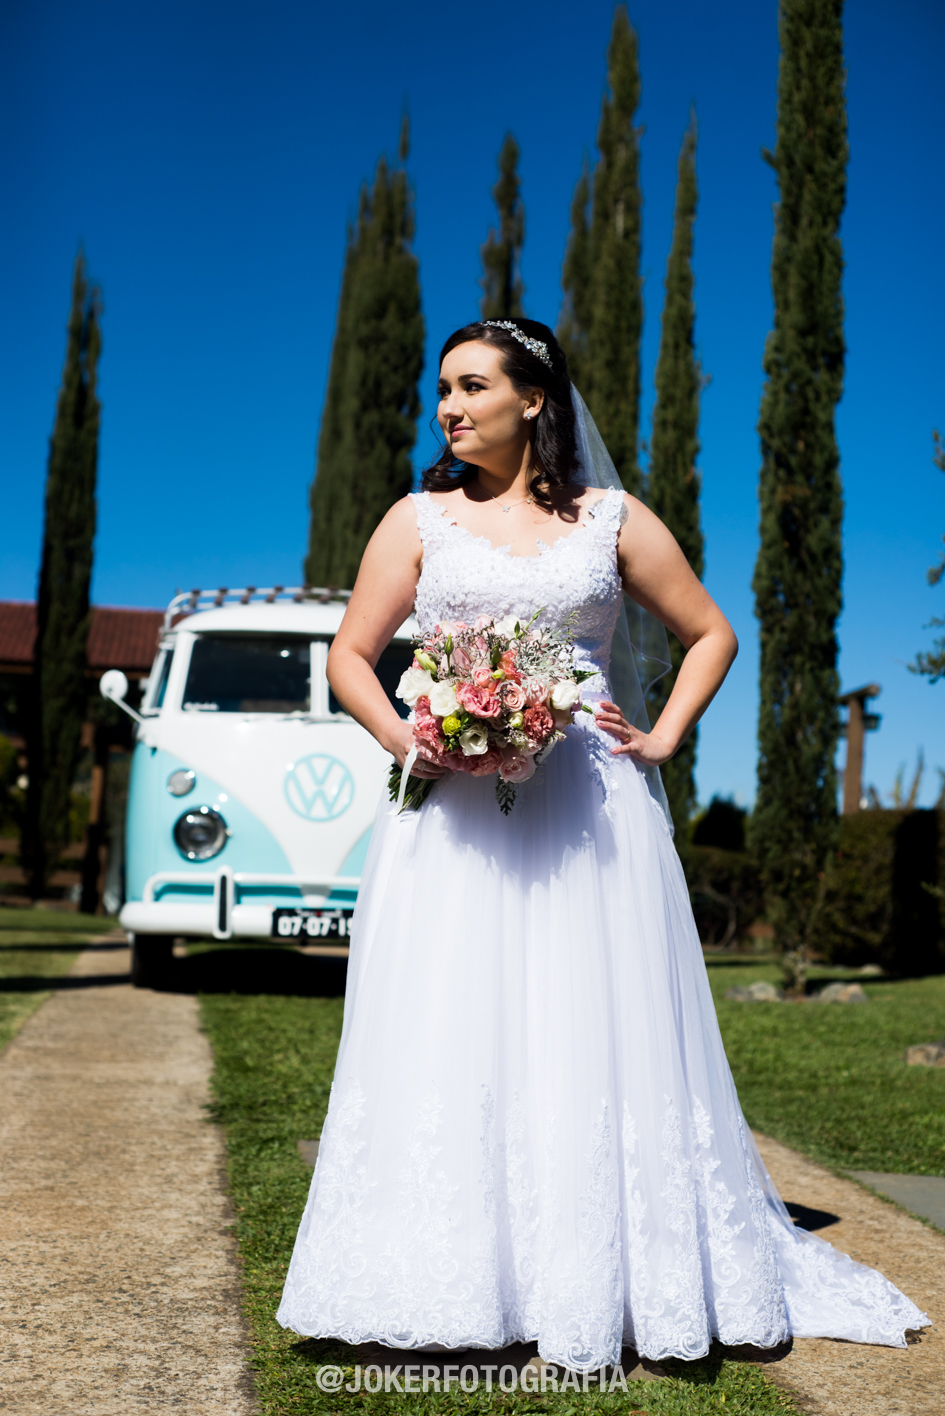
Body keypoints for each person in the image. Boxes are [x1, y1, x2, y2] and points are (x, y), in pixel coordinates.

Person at [278, 318, 928, 1368]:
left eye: (472, 385)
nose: (448, 405)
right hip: (449, 820)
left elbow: (712, 630)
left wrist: (662, 735)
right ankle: (443, 1274)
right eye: (441, 388)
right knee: (452, 1022)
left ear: (535, 399)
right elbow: (352, 655)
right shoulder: (416, 519)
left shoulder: (610, 520)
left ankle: (599, 1270)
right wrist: (417, 736)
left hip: (588, 810)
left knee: (589, 1028)